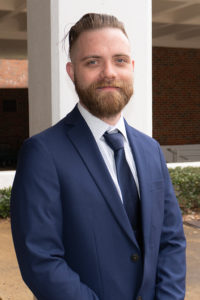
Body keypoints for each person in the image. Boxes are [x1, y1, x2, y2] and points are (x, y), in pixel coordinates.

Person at [11, 13, 186, 300]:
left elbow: (171, 240)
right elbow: (41, 261)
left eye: (119, 60)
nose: (109, 72)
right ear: (72, 72)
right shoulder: (42, 154)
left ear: (131, 66)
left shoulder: (150, 150)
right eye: (92, 61)